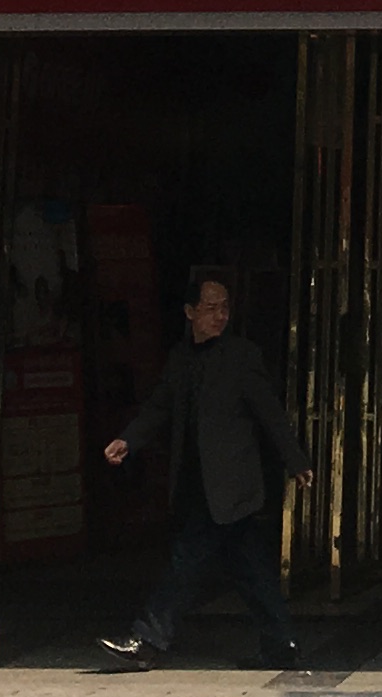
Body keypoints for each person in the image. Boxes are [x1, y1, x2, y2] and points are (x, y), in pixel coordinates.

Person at [99, 266, 313, 672]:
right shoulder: (180, 359)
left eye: (225, 307)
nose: (220, 315)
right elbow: (159, 407)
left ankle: (148, 639)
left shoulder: (242, 356)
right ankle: (281, 645)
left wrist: (295, 459)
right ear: (190, 312)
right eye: (211, 307)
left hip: (232, 485)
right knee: (252, 571)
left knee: (187, 560)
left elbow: (270, 412)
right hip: (198, 484)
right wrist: (128, 440)